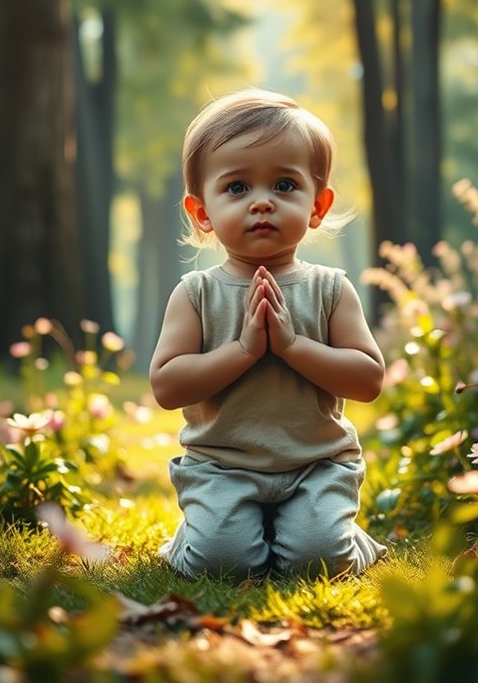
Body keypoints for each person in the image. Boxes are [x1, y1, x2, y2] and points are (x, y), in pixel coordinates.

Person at [149, 88, 387, 580]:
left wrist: (293, 346)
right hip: (222, 467)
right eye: (237, 188)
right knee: (223, 563)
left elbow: (367, 380)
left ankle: (345, 539)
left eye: (284, 185)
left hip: (316, 466)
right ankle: (191, 540)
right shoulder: (195, 293)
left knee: (319, 561)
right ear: (202, 213)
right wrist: (242, 351)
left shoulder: (330, 290)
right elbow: (167, 386)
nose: (262, 203)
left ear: (317, 205)